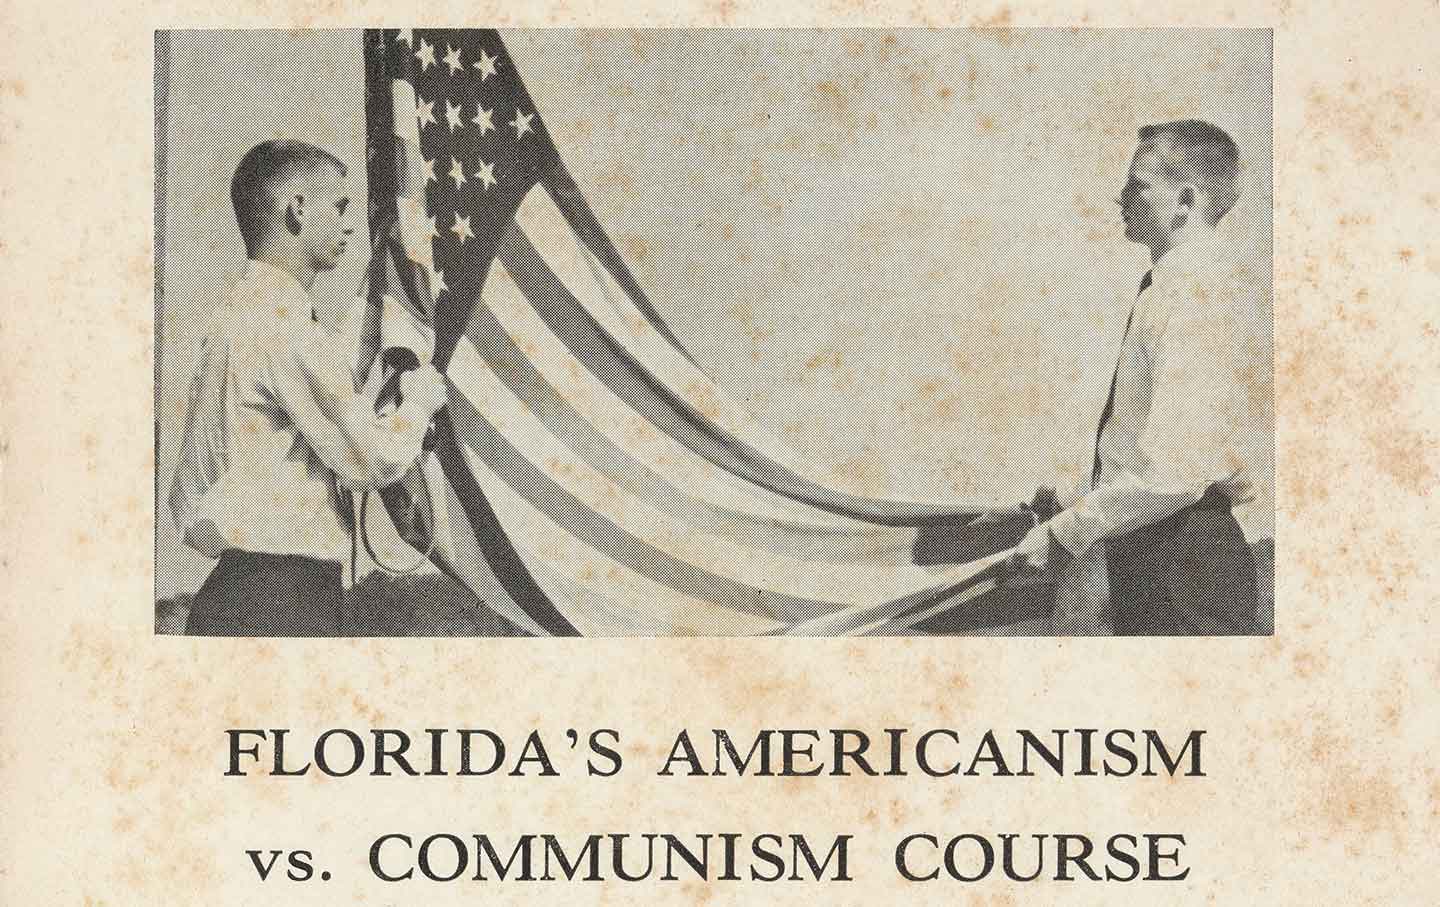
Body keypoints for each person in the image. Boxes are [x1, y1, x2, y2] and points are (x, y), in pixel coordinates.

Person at [169, 139, 449, 636]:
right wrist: (419, 403)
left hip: (234, 591)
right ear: (296, 209)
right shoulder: (287, 324)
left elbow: (190, 491)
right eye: (339, 206)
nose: (349, 224)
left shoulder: (233, 317)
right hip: (287, 598)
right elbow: (369, 458)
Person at [1003, 120, 1273, 635]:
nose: (1120, 198)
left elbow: (1178, 468)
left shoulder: (1195, 294)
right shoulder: (1173, 289)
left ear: (1185, 200)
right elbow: (1152, 447)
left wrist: (1063, 533)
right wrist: (1069, 496)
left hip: (1184, 566)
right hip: (1158, 558)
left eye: (1137, 185)